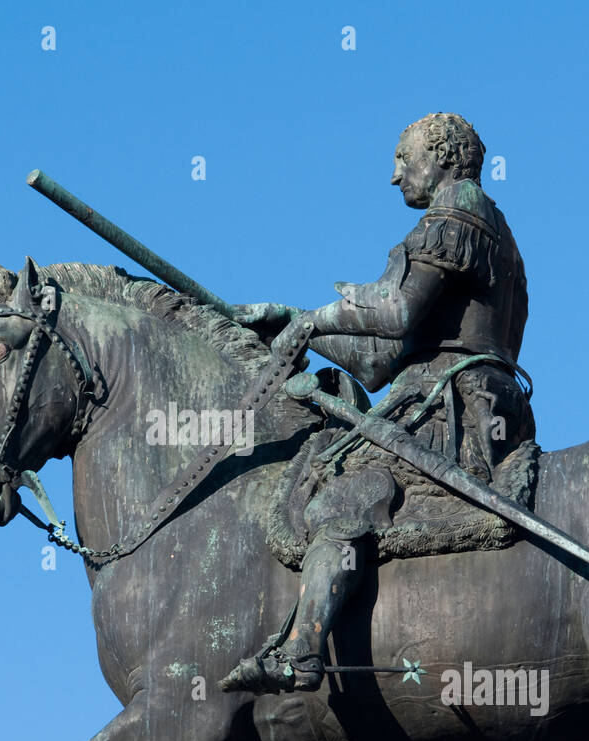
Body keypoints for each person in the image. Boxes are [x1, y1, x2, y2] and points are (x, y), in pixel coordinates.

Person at [221, 112, 535, 695]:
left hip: (451, 406)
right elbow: (377, 360)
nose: (394, 176)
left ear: (441, 156)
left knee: (341, 493)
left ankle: (302, 650)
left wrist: (316, 317)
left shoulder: (456, 214)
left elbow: (393, 313)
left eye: (402, 157)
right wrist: (297, 326)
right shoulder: (487, 226)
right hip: (475, 397)